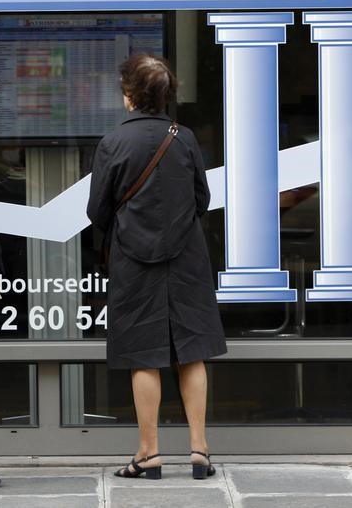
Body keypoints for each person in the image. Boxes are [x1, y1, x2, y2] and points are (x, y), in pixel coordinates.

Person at [87, 54, 227, 480]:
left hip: (134, 260)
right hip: (186, 257)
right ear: (166, 96)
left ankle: (148, 455)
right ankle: (200, 450)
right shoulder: (183, 139)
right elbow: (202, 200)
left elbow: (97, 210)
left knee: (143, 356)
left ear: (129, 95)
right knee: (192, 351)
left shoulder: (113, 143)